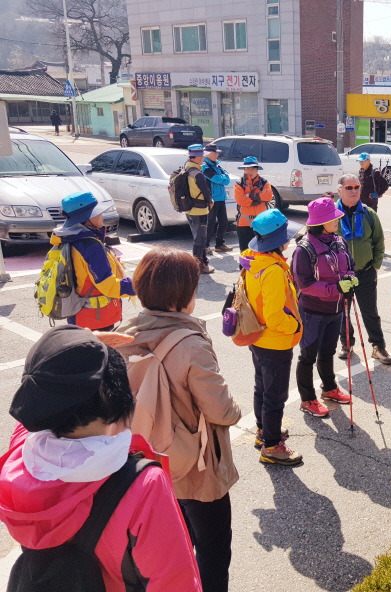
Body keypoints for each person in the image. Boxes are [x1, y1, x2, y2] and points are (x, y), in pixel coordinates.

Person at [0, 325, 202, 590]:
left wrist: (78, 349)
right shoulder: (143, 485)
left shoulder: (20, 458)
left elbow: (36, 403)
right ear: (113, 397)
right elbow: (175, 582)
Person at [117, 247, 241, 592]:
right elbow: (220, 409)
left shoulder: (122, 333)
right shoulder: (189, 343)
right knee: (213, 548)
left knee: (171, 548)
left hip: (143, 459)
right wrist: (237, 410)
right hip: (195, 465)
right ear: (181, 296)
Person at [241, 209, 304, 465]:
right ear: (278, 241)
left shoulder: (252, 260)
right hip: (275, 342)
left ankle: (264, 430)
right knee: (275, 396)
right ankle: (272, 446)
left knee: (262, 387)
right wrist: (295, 326)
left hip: (256, 337)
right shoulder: (274, 271)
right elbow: (275, 316)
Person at [291, 197, 355, 418]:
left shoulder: (339, 241)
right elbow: (304, 284)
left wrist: (350, 277)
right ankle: (307, 399)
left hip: (336, 309)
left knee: (328, 351)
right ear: (320, 223)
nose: (337, 220)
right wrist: (335, 287)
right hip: (312, 311)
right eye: (332, 218)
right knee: (308, 356)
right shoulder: (304, 249)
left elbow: (350, 265)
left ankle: (329, 388)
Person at [51, 190, 135, 331]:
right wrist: (140, 284)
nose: (102, 216)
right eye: (97, 213)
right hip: (97, 319)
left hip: (78, 314)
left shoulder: (68, 238)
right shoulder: (90, 246)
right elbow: (108, 285)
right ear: (87, 218)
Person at [336, 174, 391, 364]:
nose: (354, 191)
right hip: (341, 275)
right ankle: (347, 343)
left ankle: (378, 346)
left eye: (357, 187)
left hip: (365, 271)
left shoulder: (369, 213)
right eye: (349, 187)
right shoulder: (333, 214)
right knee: (343, 312)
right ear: (340, 190)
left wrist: (375, 266)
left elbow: (379, 242)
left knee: (370, 312)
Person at [184, 144, 215, 274]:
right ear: (196, 157)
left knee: (197, 237)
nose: (203, 158)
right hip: (200, 210)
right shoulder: (197, 174)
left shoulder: (186, 169)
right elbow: (206, 191)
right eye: (201, 156)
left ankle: (202, 262)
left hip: (189, 208)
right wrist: (210, 201)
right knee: (200, 239)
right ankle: (198, 265)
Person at [234, 156, 273, 255]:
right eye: (247, 168)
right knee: (245, 252)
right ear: (244, 170)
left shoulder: (264, 182)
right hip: (244, 223)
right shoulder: (239, 183)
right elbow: (240, 199)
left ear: (257, 169)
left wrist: (251, 195)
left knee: (262, 251)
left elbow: (268, 196)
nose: (249, 171)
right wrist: (257, 199)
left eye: (252, 168)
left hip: (261, 222)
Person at [202, 143, 232, 254]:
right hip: (211, 199)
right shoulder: (204, 166)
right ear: (208, 153)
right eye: (215, 152)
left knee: (224, 222)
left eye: (217, 152)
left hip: (221, 198)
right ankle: (205, 245)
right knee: (210, 223)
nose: (217, 154)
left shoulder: (218, 166)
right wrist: (222, 178)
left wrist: (221, 178)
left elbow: (227, 180)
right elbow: (216, 179)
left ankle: (219, 244)